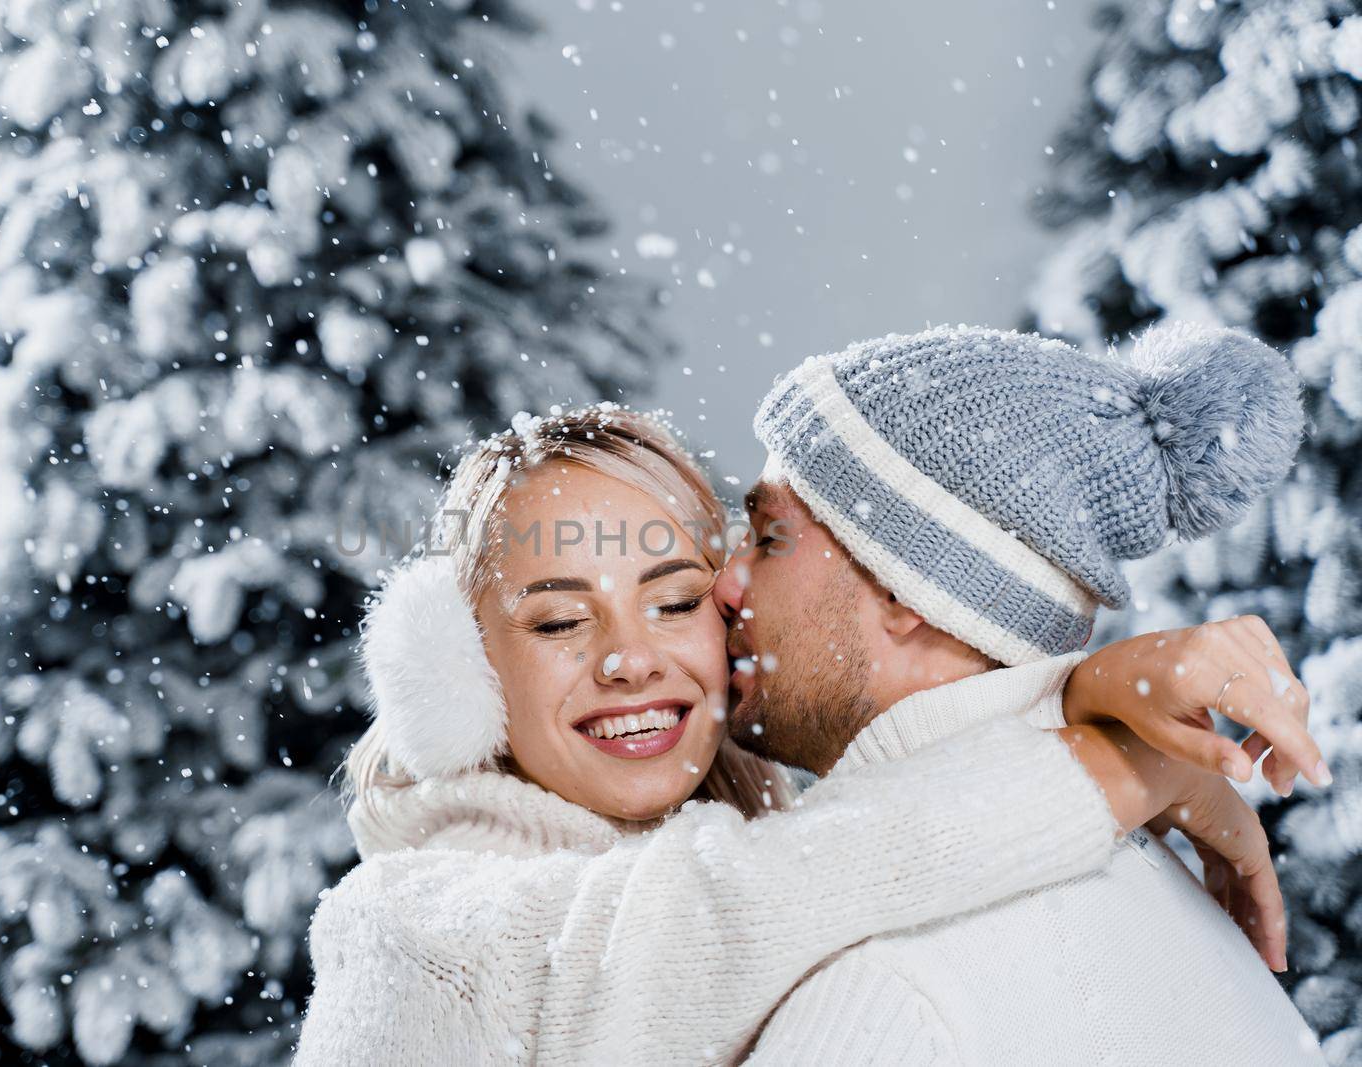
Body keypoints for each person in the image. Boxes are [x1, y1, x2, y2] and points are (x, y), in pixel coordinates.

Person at [294, 395, 1315, 1063]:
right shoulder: (402, 930)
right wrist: (1099, 752)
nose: (629, 657)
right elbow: (696, 928)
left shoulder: (803, 892)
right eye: (559, 619)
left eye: (675, 598)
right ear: (460, 669)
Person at [733, 321, 1321, 1063]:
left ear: (901, 585)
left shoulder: (886, 997)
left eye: (768, 538)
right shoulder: (1164, 898)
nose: (724, 584)